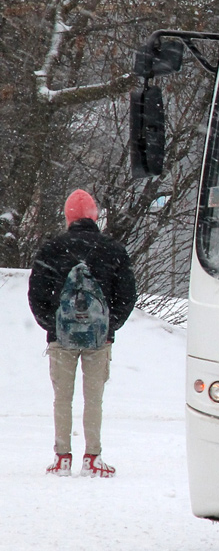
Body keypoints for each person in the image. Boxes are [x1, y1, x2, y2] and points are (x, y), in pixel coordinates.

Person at [28, 190, 137, 478]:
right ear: (95, 217)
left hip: (61, 339)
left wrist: (53, 326)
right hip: (99, 340)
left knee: (62, 398)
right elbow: (127, 295)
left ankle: (62, 458)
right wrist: (108, 327)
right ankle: (93, 458)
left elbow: (36, 294)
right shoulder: (113, 249)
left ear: (68, 218)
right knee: (94, 399)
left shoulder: (52, 249)